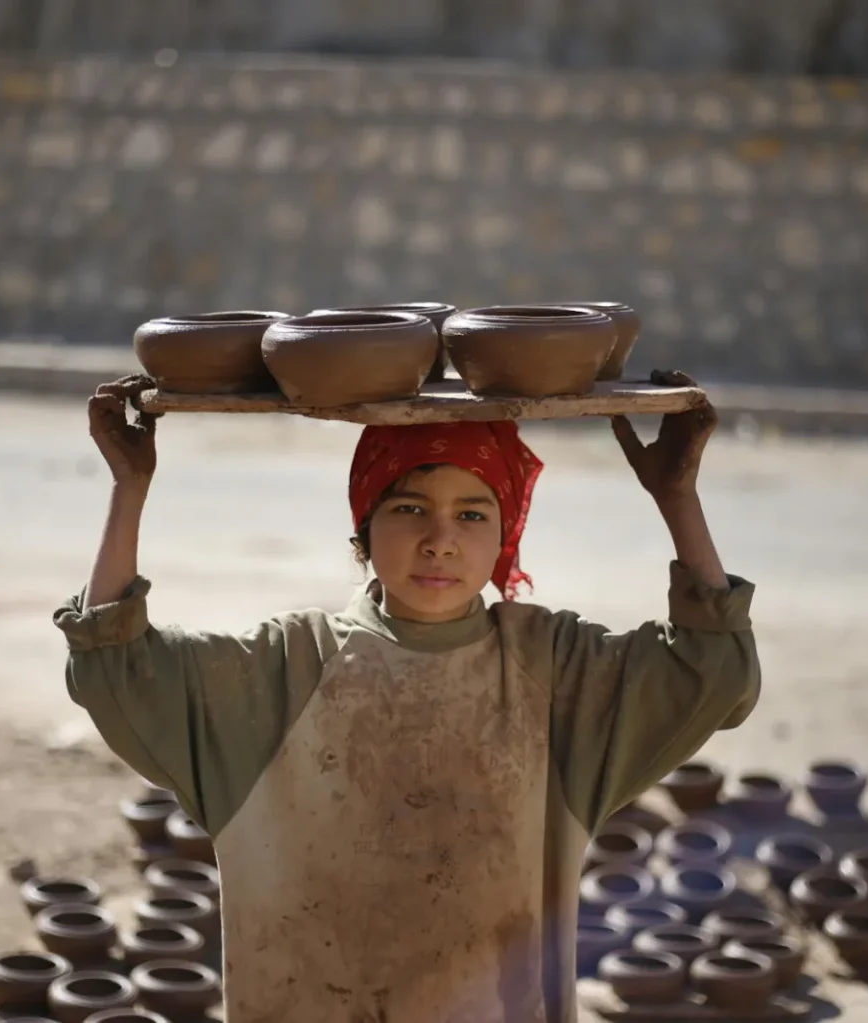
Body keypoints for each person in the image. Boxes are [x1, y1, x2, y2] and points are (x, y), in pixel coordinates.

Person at [55, 371, 760, 1023]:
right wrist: (129, 487)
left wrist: (677, 496)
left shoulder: (551, 671)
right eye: (410, 506)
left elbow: (711, 670)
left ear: (506, 534)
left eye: (474, 514)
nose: (440, 540)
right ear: (364, 525)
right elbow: (115, 666)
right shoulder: (288, 667)